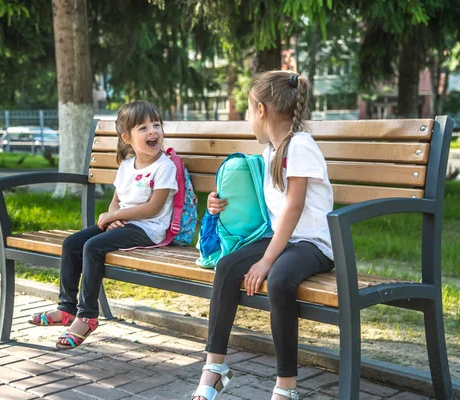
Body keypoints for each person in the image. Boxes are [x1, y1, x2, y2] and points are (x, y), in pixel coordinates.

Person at [192, 70, 335, 400]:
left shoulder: (299, 146)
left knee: (281, 280)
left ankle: (286, 386)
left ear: (261, 110)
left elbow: (294, 207)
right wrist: (218, 202)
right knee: (228, 267)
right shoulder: (272, 150)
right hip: (281, 239)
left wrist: (266, 261)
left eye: (246, 110)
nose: (247, 118)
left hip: (313, 245)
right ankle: (214, 369)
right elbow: (263, 204)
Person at [28, 101, 178, 350]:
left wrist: (115, 217)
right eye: (143, 128)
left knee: (93, 247)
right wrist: (112, 215)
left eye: (156, 125)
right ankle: (66, 308)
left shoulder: (165, 167)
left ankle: (86, 316)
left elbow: (154, 208)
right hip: (125, 224)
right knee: (73, 243)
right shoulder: (127, 166)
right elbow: (115, 202)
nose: (153, 131)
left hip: (149, 229)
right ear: (126, 137)